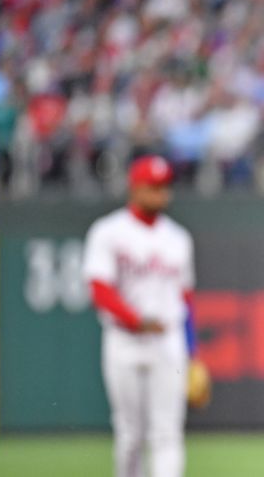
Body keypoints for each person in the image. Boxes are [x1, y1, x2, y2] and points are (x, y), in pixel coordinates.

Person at [82, 155, 200, 477]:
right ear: (135, 188)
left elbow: (186, 300)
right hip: (124, 340)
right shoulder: (109, 231)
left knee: (167, 433)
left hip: (167, 341)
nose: (160, 194)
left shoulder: (178, 238)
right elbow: (99, 288)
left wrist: (194, 354)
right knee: (130, 434)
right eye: (153, 187)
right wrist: (135, 320)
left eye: (164, 187)